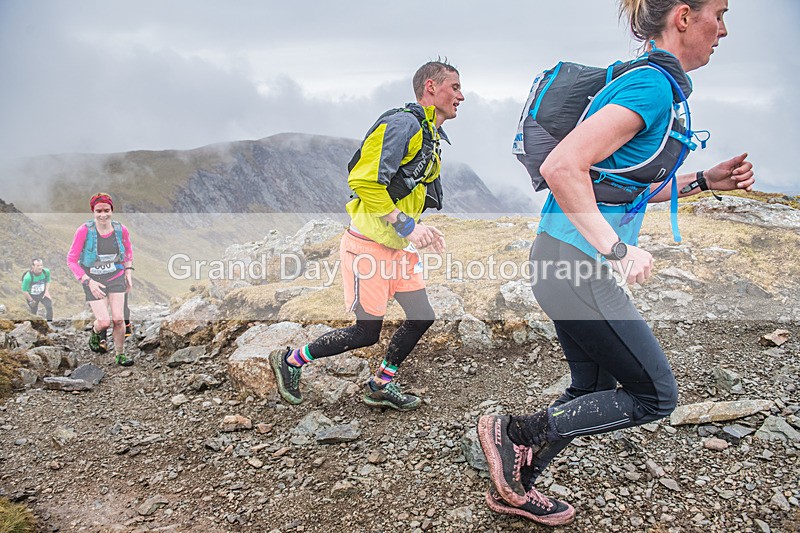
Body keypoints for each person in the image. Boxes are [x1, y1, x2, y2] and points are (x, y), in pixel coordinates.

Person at [478, 0, 754, 526]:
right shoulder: (649, 86)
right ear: (683, 17)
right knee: (655, 396)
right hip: (574, 263)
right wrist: (617, 249)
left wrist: (702, 181)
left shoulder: (653, 85)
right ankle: (511, 433)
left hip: (562, 262)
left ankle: (516, 483)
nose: (724, 29)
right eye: (718, 13)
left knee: (594, 388)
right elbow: (564, 167)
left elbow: (620, 187)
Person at [270, 60, 464, 410]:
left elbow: (408, 187)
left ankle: (380, 383)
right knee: (365, 332)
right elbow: (363, 181)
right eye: (455, 87)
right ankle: (291, 360)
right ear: (431, 87)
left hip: (397, 246)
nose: (461, 96)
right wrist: (407, 225)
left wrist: (420, 226)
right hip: (368, 245)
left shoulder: (430, 132)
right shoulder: (402, 124)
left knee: (422, 316)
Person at [67, 193, 135, 366]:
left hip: (116, 276)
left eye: (106, 210)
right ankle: (95, 333)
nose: (103, 214)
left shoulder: (121, 230)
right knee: (104, 321)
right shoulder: (84, 231)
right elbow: (72, 259)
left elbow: (127, 252)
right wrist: (87, 280)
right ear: (93, 211)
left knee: (119, 319)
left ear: (112, 210)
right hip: (93, 280)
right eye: (99, 211)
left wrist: (128, 272)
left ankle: (120, 354)